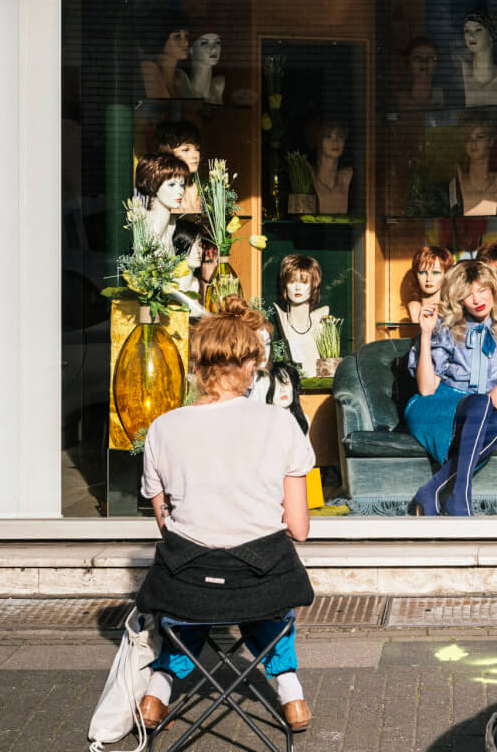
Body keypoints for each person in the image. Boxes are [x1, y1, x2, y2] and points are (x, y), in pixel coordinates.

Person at [135, 301, 314, 733]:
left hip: (186, 586)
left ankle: (157, 691)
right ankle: (290, 694)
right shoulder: (280, 423)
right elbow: (300, 530)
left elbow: (165, 522)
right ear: (251, 364)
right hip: (262, 588)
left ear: (198, 365)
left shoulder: (163, 427)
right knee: (262, 588)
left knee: (193, 595)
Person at [405, 260, 497, 516]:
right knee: (481, 404)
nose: (477, 299)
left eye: (482, 290)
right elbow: (426, 389)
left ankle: (433, 489)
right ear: (458, 298)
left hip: (480, 409)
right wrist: (425, 334)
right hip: (438, 405)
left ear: (494, 290)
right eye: (467, 294)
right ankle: (460, 496)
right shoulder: (444, 327)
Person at [155, 120, 203, 214]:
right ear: (168, 153)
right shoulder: (162, 187)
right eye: (186, 150)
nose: (195, 155)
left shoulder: (193, 187)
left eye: (197, 149)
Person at [405, 245, 454, 322]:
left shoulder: (451, 309)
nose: (428, 279)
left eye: (435, 272)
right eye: (422, 272)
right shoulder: (414, 308)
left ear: (446, 275)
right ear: (416, 275)